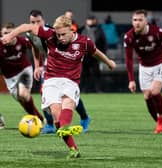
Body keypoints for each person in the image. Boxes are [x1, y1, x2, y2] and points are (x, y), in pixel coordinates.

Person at [1, 15, 116, 158]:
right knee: (57, 117)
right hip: (51, 81)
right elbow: (27, 27)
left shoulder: (84, 42)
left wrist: (109, 62)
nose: (60, 37)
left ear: (71, 30)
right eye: (58, 34)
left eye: (63, 34)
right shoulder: (50, 35)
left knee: (67, 105)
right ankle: (73, 147)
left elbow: (96, 53)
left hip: (71, 82)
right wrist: (10, 35)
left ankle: (66, 128)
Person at [28, 9, 91, 133]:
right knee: (44, 92)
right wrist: (37, 66)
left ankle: (84, 117)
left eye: (38, 21)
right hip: (47, 65)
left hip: (62, 65)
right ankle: (51, 124)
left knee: (68, 95)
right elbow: (34, 47)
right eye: (32, 22)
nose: (36, 24)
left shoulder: (52, 32)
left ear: (43, 20)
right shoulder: (31, 33)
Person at [124, 9, 162, 134]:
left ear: (146, 21)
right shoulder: (129, 36)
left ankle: (160, 120)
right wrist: (131, 80)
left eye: (140, 20)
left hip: (161, 62)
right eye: (134, 20)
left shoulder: (157, 32)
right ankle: (159, 123)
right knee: (147, 96)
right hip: (145, 67)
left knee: (155, 92)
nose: (137, 23)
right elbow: (129, 59)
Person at [0, 22, 44, 125]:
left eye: (10, 33)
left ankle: (39, 120)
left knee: (23, 94)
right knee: (21, 100)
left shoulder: (22, 41)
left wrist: (39, 65)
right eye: (5, 33)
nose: (7, 35)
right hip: (9, 77)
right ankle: (38, 118)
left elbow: (36, 47)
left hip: (24, 71)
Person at [79, 15, 107, 92]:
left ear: (95, 21)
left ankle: (98, 89)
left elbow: (103, 43)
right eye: (89, 19)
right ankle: (83, 89)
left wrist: (103, 55)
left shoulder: (99, 30)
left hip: (95, 54)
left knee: (96, 73)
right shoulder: (82, 29)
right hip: (84, 55)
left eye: (92, 20)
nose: (90, 21)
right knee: (84, 73)